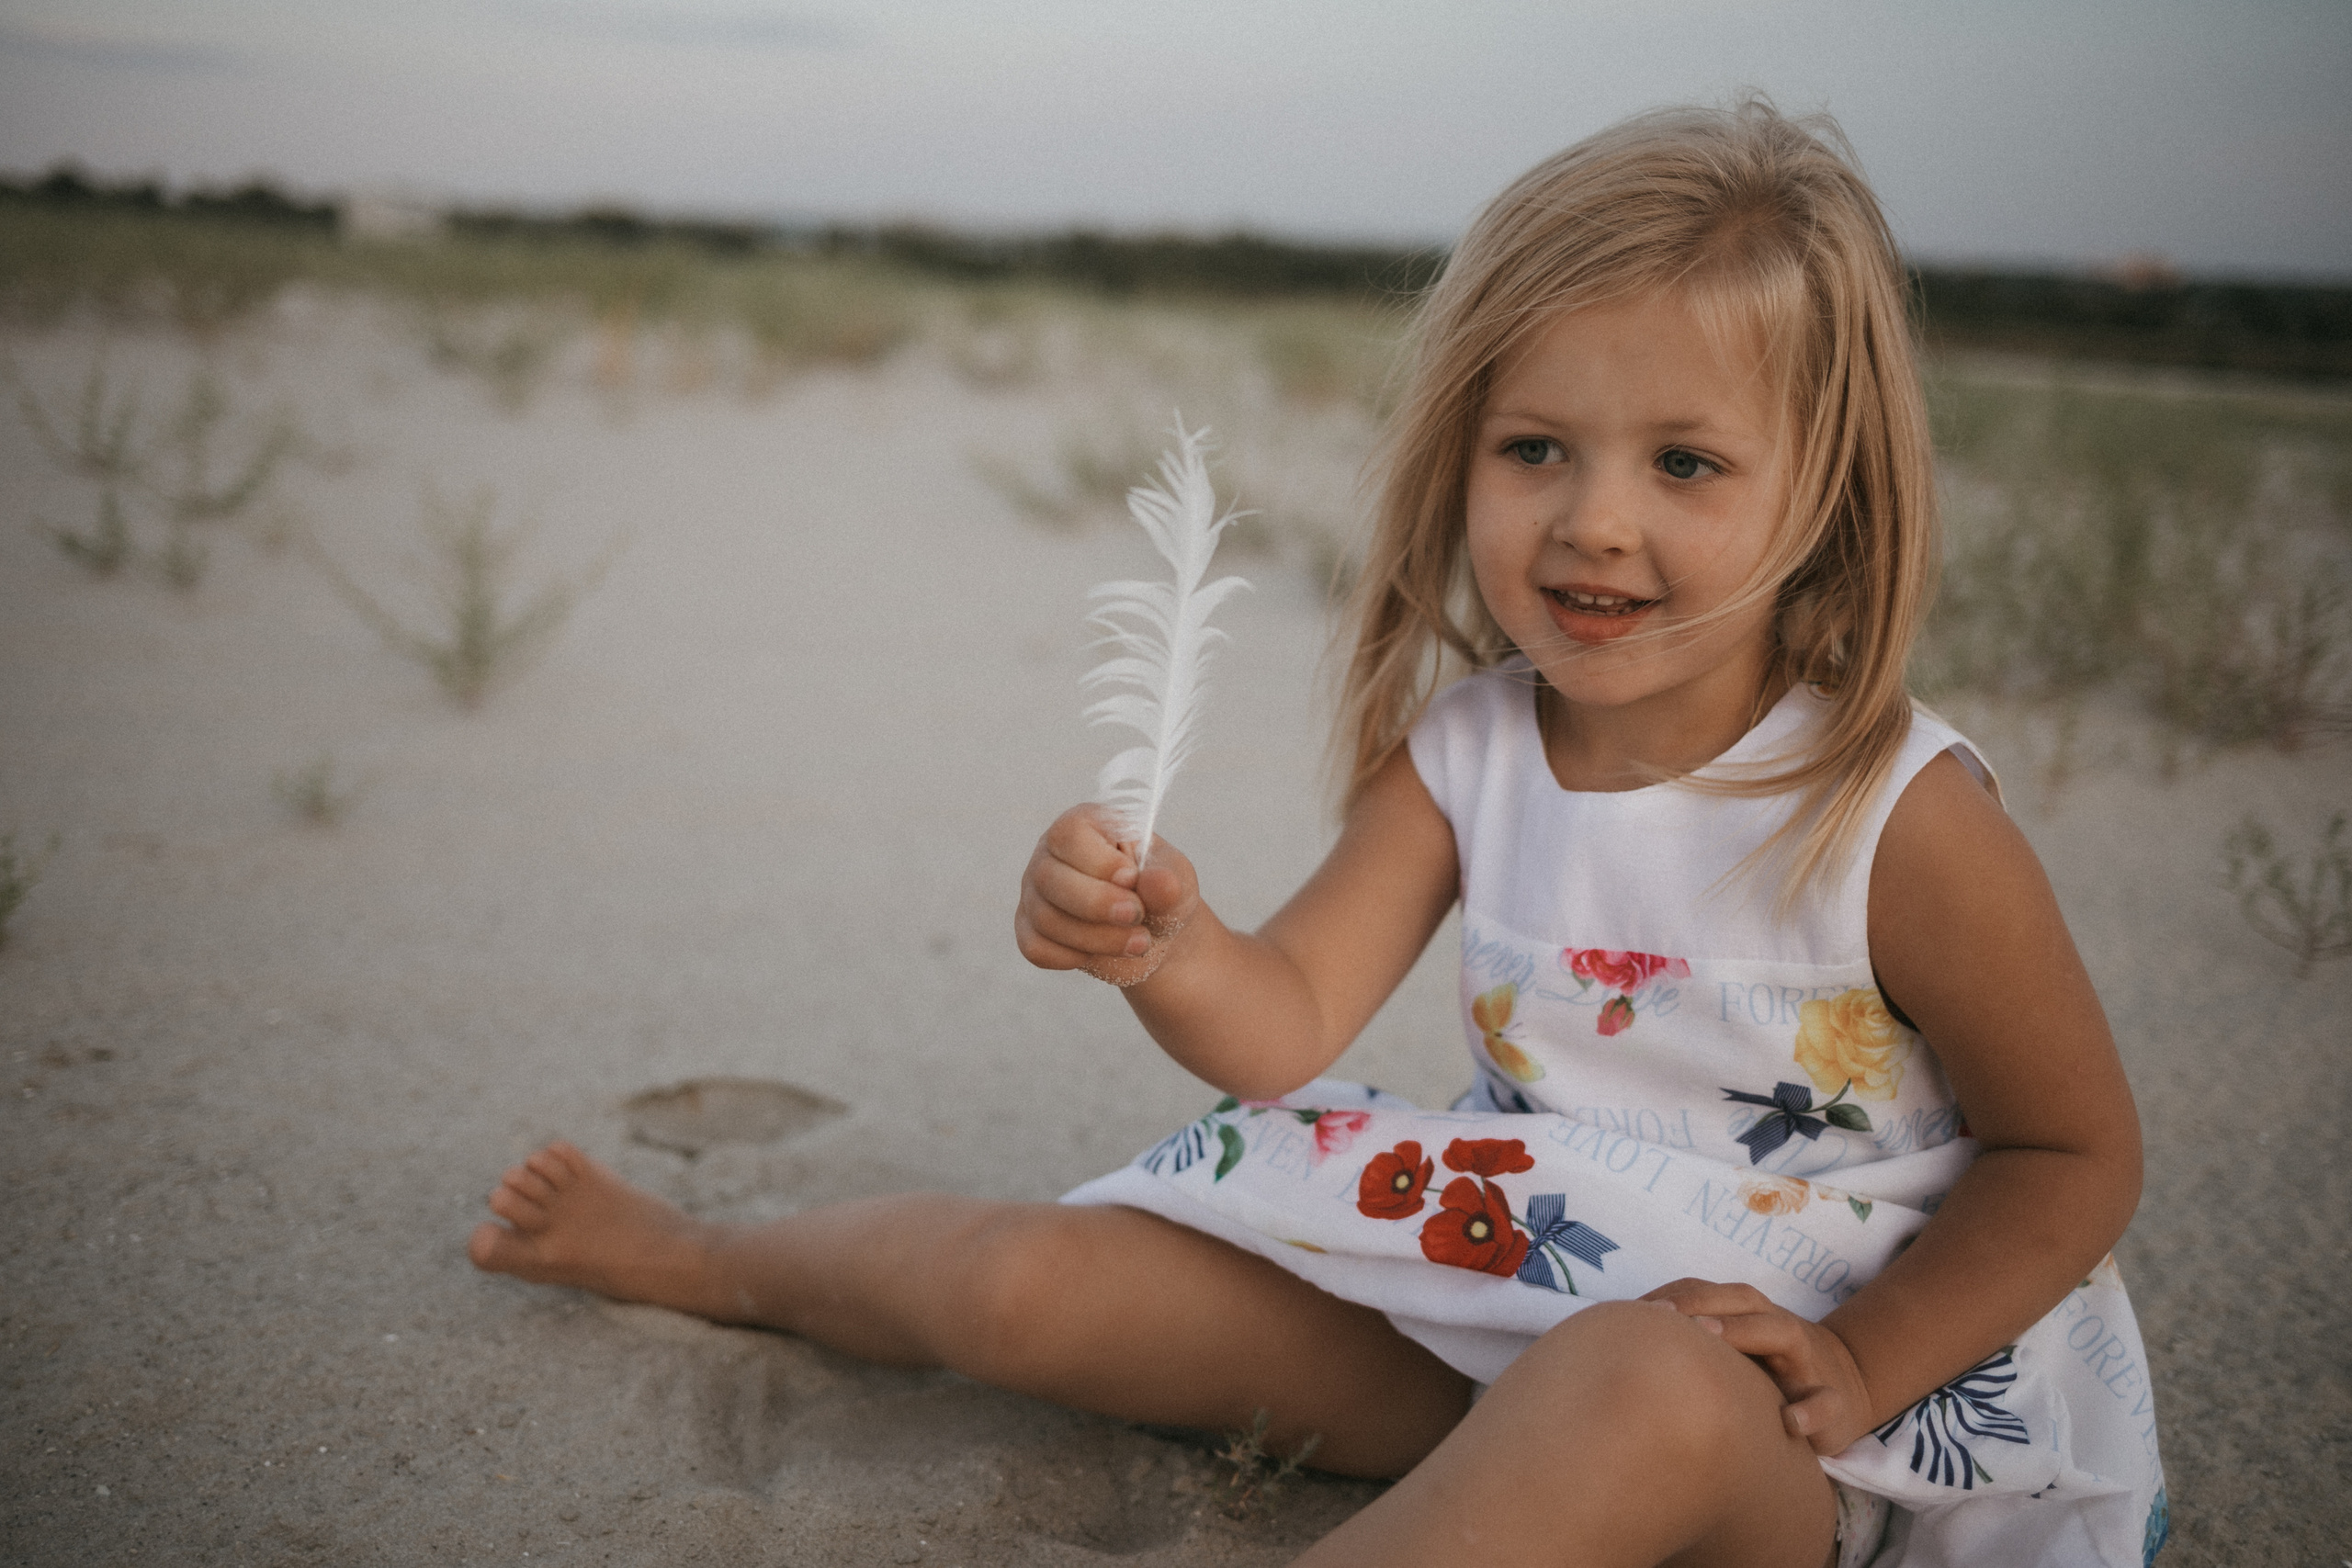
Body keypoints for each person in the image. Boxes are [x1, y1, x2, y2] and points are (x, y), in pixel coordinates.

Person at [469, 100, 2167, 1567]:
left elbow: (2073, 1155)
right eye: (1536, 449)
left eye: (1687, 464)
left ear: (1831, 495)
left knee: (1634, 1381)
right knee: (1029, 1286)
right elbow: (1282, 1024)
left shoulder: (1893, 814)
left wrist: (1864, 1362)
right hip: (1498, 1308)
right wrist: (1168, 945)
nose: (1594, 519)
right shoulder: (1480, 745)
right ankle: (715, 1257)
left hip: (1806, 1432)